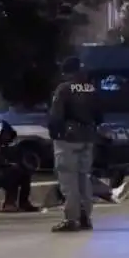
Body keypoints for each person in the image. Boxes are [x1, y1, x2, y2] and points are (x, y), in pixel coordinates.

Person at [48, 56, 103, 232]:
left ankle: (72, 219)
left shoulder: (63, 89)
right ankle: (86, 216)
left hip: (68, 139)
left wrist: (55, 134)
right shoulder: (91, 88)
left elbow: (56, 116)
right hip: (88, 137)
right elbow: (100, 116)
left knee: (68, 179)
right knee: (84, 177)